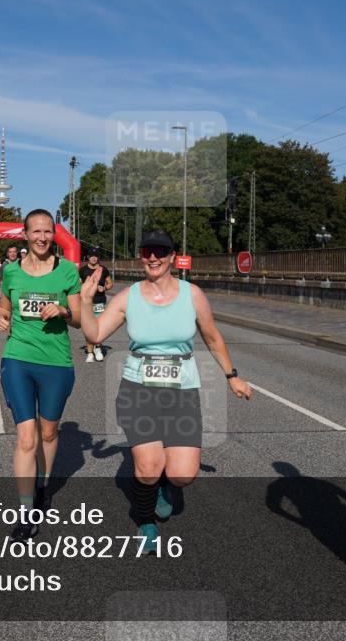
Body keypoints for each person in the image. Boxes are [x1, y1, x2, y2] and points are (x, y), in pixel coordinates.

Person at [79, 229, 252, 552]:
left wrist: (232, 376)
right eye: (147, 252)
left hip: (182, 391)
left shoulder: (193, 295)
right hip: (137, 390)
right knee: (147, 469)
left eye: (160, 251)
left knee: (183, 475)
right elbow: (96, 334)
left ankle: (165, 485)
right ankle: (145, 519)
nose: (153, 258)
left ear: (172, 256)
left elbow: (213, 338)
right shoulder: (129, 296)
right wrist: (86, 303)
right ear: (141, 256)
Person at [0, 209, 82, 541]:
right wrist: (2, 319)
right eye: (36, 232)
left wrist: (63, 310)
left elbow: (78, 319)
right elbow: (4, 308)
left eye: (48, 232)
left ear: (54, 235)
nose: (42, 237)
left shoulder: (67, 273)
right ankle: (25, 511)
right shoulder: (12, 272)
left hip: (56, 363)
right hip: (18, 358)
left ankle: (44, 484)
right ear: (25, 234)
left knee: (48, 434)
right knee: (27, 438)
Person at [79, 248, 113, 362]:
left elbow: (110, 284)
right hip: (86, 303)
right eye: (91, 255)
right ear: (88, 257)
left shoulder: (103, 270)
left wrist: (104, 288)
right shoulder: (83, 270)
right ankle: (89, 353)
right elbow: (78, 285)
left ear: (98, 258)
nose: (93, 258)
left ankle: (97, 348)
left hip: (99, 301)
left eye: (96, 256)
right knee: (88, 327)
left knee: (98, 326)